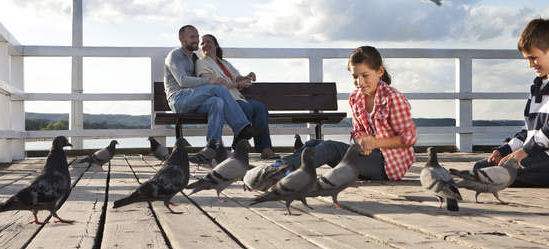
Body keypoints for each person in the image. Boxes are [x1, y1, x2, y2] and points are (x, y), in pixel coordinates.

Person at [473, 18, 549, 187]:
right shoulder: (538, 85)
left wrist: (523, 153)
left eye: (533, 58)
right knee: (480, 169)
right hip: (535, 153)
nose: (530, 64)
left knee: (505, 174)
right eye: (527, 59)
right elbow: (528, 131)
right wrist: (505, 150)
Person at [274, 46, 417, 181]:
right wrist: (361, 140)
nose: (359, 82)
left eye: (365, 75)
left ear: (380, 72)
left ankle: (281, 170)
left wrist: (375, 143)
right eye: (355, 76)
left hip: (386, 165)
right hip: (367, 158)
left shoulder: (392, 98)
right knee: (314, 143)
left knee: (330, 148)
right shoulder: (356, 97)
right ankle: (280, 168)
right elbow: (357, 131)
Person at [163, 25, 266, 144]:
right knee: (217, 87)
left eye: (197, 36)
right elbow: (182, 80)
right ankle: (242, 127)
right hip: (179, 99)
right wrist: (209, 81)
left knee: (217, 102)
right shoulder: (175, 55)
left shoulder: (194, 58)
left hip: (195, 100)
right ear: (181, 39)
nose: (196, 40)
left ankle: (214, 147)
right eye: (192, 37)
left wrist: (244, 78)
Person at [195, 34, 279, 159]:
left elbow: (236, 77)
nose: (205, 45)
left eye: (208, 42)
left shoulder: (224, 62)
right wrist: (239, 84)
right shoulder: (201, 63)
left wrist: (246, 77)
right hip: (224, 99)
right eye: (202, 43)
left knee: (260, 107)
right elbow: (214, 86)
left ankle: (265, 148)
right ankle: (236, 148)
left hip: (237, 97)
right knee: (247, 108)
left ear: (216, 45)